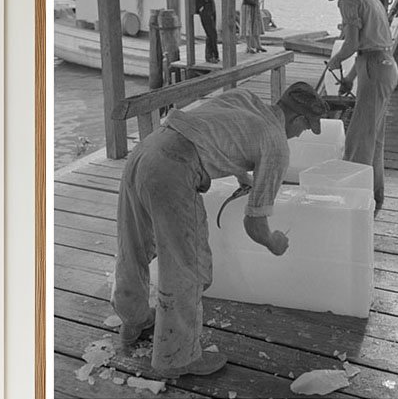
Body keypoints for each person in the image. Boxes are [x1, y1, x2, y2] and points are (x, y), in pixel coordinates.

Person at [112, 82, 327, 379]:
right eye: (306, 127)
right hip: (173, 170)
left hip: (145, 151)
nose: (301, 134)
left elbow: (208, 130)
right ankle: (177, 358)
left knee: (132, 246)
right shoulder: (277, 143)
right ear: (298, 119)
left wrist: (242, 175)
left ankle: (133, 318)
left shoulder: (246, 98)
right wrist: (273, 242)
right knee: (187, 267)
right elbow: (254, 224)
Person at [309, 0, 398, 211]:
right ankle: (375, 196)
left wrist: (335, 60)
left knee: (358, 139)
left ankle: (354, 203)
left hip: (374, 67)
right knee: (374, 138)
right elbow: (370, 46)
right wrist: (349, 77)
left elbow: (351, 45)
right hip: (384, 65)